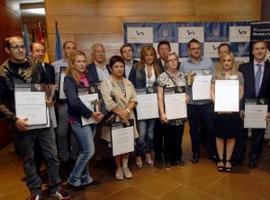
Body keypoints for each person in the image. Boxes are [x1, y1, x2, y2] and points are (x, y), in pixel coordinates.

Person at [0, 36, 70, 200]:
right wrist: (14, 120)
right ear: (7, 50)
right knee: (30, 159)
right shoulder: (3, 72)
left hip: (42, 119)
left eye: (22, 46)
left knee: (52, 156)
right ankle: (36, 192)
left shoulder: (36, 65)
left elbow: (45, 87)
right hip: (21, 123)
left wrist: (48, 98)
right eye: (15, 47)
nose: (20, 49)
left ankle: (55, 188)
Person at [64, 50, 104, 190]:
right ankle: (74, 179)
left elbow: (98, 94)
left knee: (84, 150)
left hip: (92, 118)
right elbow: (74, 102)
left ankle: (85, 178)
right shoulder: (68, 79)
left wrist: (101, 112)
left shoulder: (88, 76)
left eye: (83, 61)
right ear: (73, 64)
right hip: (79, 120)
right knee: (89, 151)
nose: (81, 64)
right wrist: (91, 114)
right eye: (78, 61)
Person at [100, 55, 138, 180]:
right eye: (116, 66)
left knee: (126, 142)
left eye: (121, 66)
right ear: (111, 68)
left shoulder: (128, 82)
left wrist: (127, 111)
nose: (119, 69)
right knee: (117, 143)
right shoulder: (106, 83)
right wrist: (121, 113)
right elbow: (108, 102)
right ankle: (118, 167)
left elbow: (134, 99)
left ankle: (126, 166)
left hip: (128, 116)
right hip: (116, 117)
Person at [180, 38, 216, 163]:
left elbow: (213, 80)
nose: (196, 50)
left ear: (200, 49)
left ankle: (212, 152)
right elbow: (180, 82)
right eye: (193, 48)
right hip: (192, 103)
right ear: (189, 50)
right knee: (193, 130)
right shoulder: (184, 64)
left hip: (207, 102)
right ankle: (195, 153)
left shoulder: (208, 61)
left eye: (198, 48)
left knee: (210, 128)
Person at [239, 40, 270, 168]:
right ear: (252, 51)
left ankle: (254, 157)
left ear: (266, 51)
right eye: (256, 49)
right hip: (246, 106)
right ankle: (240, 155)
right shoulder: (243, 68)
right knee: (242, 133)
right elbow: (239, 90)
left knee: (258, 135)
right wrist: (240, 108)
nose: (259, 51)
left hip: (263, 107)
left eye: (262, 48)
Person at [210, 52, 244, 172]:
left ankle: (228, 160)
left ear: (232, 62)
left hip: (232, 111)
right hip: (219, 111)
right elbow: (212, 92)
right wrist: (218, 105)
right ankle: (220, 159)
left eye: (229, 60)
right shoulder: (216, 75)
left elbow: (241, 93)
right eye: (224, 60)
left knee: (231, 137)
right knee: (219, 136)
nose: (226, 63)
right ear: (221, 62)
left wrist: (232, 104)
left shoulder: (239, 75)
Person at [129, 45, 161, 168]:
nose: (149, 57)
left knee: (151, 133)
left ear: (154, 55)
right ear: (143, 56)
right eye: (146, 55)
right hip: (140, 104)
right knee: (141, 133)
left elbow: (161, 85)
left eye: (151, 54)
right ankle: (139, 154)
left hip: (153, 104)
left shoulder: (158, 67)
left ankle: (148, 153)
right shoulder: (136, 67)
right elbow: (130, 85)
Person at [156, 52, 186, 168]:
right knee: (168, 136)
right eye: (170, 60)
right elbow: (159, 96)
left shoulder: (182, 76)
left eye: (174, 59)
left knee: (179, 136)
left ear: (177, 61)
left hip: (180, 112)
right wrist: (162, 113)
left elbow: (184, 92)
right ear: (166, 63)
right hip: (168, 112)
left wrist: (186, 97)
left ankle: (178, 157)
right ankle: (168, 158)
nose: (173, 62)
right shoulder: (162, 77)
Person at [51, 41, 78, 168]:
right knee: (62, 132)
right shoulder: (55, 66)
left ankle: (74, 156)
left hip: (76, 103)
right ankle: (64, 156)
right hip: (62, 103)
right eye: (68, 48)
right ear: (63, 50)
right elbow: (50, 84)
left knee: (75, 131)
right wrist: (53, 88)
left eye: (73, 48)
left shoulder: (79, 64)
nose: (71, 50)